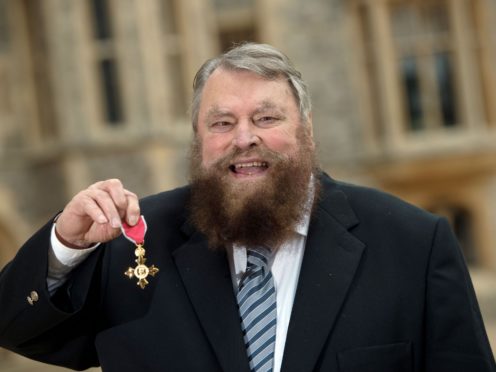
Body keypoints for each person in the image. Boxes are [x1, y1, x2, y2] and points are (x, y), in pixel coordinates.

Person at [0, 43, 494, 372]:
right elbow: (16, 329)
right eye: (221, 123)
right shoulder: (136, 240)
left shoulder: (413, 244)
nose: (244, 138)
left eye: (266, 117)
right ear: (198, 138)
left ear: (306, 130)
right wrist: (64, 243)